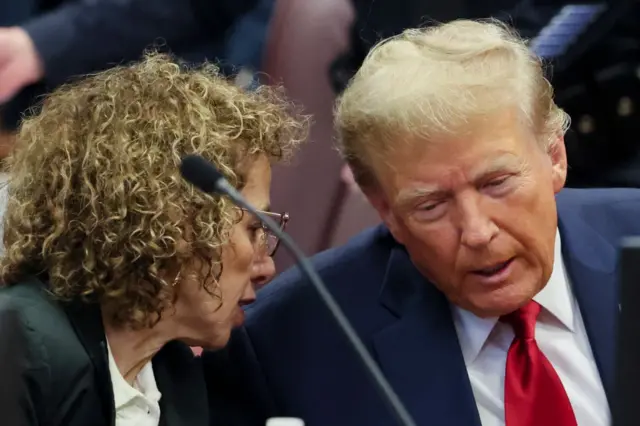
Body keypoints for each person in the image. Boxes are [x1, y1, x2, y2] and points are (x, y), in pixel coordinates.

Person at [203, 19, 640, 426]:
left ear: (554, 157)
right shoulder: (293, 343)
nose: (476, 231)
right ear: (385, 208)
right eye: (431, 205)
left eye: (496, 183)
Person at [0, 52, 306, 426]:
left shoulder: (176, 379)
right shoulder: (18, 344)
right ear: (173, 225)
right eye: (253, 228)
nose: (267, 267)